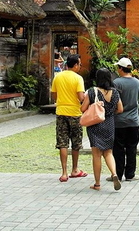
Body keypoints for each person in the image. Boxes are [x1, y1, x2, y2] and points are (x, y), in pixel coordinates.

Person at [81, 67, 123, 191]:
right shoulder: (115, 92)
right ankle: (114, 174)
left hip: (95, 125)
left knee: (96, 155)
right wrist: (109, 112)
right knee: (108, 152)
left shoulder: (92, 91)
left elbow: (82, 109)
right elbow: (120, 109)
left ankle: (97, 184)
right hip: (109, 124)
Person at [50, 54, 87, 182]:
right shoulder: (78, 78)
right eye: (79, 64)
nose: (80, 67)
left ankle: (64, 173)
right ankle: (75, 169)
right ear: (75, 65)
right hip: (75, 113)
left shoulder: (58, 77)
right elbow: (81, 97)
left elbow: (54, 95)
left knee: (62, 142)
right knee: (76, 143)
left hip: (61, 112)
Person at [111, 57, 139, 182]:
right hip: (133, 121)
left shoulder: (116, 83)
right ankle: (130, 174)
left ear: (120, 69)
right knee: (132, 148)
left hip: (119, 121)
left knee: (118, 149)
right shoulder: (137, 82)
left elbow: (114, 101)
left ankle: (117, 174)